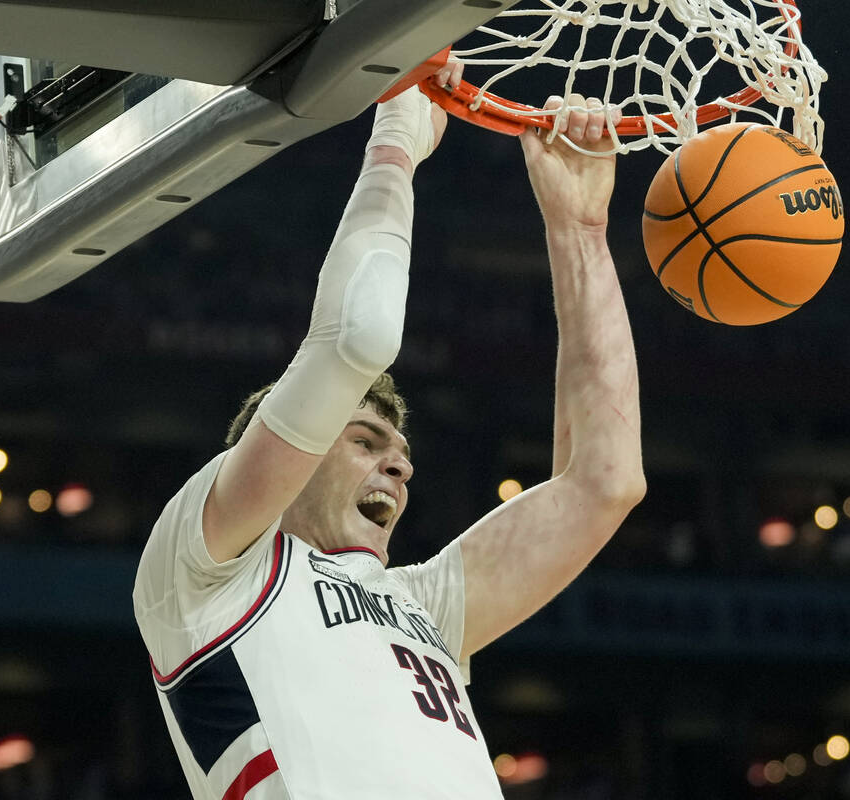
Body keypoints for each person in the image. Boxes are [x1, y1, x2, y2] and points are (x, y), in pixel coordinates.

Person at [132, 70, 646, 798]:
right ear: (289, 453)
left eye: (400, 453)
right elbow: (355, 338)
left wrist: (581, 230)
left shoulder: (422, 603)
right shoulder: (207, 570)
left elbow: (606, 481)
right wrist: (397, 137)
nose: (400, 468)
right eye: (367, 441)